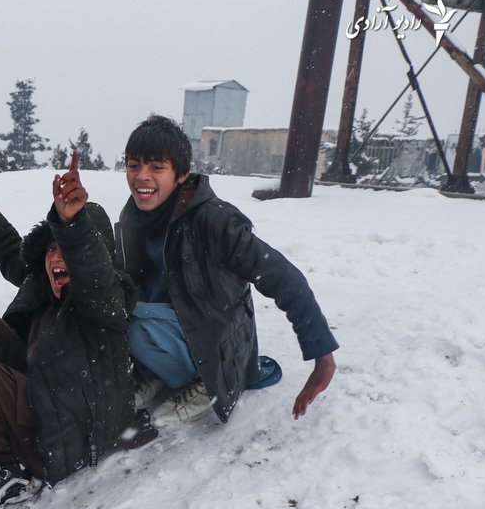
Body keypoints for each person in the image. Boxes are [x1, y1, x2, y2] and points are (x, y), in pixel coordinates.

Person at [0, 149, 157, 509]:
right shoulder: (41, 283)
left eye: (68, 251)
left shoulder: (104, 303)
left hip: (73, 437)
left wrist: (72, 225)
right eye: (52, 249)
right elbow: (6, 245)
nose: (58, 258)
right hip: (46, 402)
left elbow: (93, 273)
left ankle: (11, 470)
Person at [115, 115, 337, 425]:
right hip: (169, 326)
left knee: (132, 318)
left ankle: (206, 383)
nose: (142, 176)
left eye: (156, 167)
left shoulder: (214, 221)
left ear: (181, 174)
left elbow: (284, 278)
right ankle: (157, 371)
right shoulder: (133, 217)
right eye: (133, 165)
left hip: (213, 341)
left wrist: (322, 354)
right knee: (112, 310)